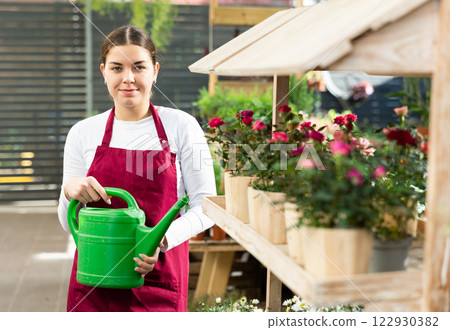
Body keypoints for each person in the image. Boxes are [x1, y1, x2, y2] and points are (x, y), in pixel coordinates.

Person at [57, 25, 216, 312]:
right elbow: (69, 223)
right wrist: (69, 193)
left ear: (154, 71)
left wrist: (160, 241)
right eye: (117, 68)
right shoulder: (83, 133)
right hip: (94, 282)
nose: (128, 78)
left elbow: (206, 207)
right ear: (103, 71)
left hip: (158, 278)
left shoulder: (181, 127)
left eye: (139, 67)